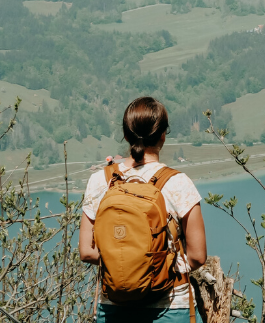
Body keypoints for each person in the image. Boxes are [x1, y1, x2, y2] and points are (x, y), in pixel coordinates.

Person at [79, 96, 207, 322]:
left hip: (113, 308)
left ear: (126, 135)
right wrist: (155, 264)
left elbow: (87, 252)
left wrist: (125, 261)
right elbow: (197, 257)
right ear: (163, 135)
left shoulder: (100, 180)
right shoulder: (178, 183)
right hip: (169, 308)